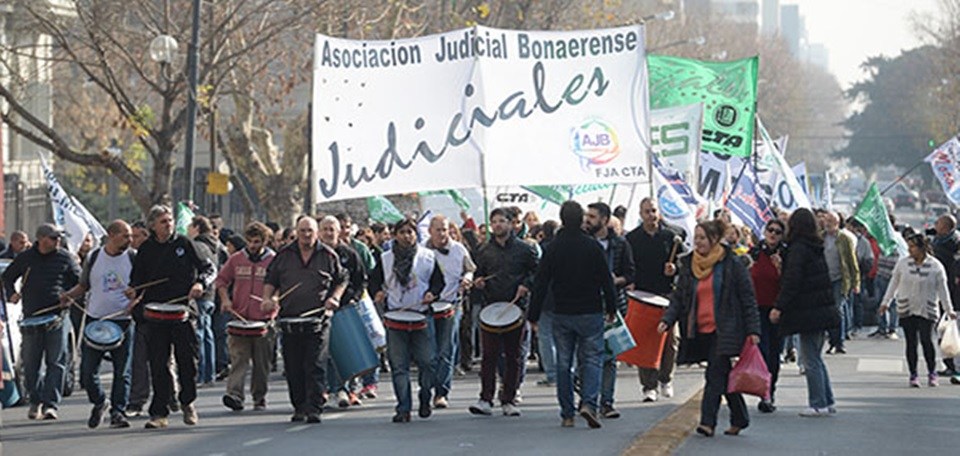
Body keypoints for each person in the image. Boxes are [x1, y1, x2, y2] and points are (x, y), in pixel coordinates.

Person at [658, 219, 760, 437]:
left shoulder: (732, 264)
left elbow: (748, 299)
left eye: (703, 238)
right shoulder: (689, 264)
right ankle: (740, 417)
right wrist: (667, 319)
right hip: (698, 329)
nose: (698, 242)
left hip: (725, 329)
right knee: (722, 375)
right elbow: (679, 297)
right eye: (696, 238)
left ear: (714, 240)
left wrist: (753, 330)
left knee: (714, 374)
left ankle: (707, 422)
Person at [125, 205, 217, 429]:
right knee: (158, 364)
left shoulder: (185, 244)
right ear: (153, 225)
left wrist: (199, 283)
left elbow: (208, 269)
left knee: (188, 363)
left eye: (170, 220)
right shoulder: (145, 249)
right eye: (163, 221)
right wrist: (133, 291)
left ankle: (187, 401)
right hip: (155, 315)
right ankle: (159, 412)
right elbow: (137, 279)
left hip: (182, 312)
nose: (168, 224)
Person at [529, 201, 616, 429]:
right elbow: (606, 279)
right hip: (590, 310)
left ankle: (567, 413)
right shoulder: (592, 246)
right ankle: (589, 403)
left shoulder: (553, 247)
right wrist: (612, 307)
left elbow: (541, 282)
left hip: (563, 311)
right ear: (581, 220)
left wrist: (533, 314)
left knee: (563, 363)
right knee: (592, 359)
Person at [262, 216, 347, 424]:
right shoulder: (283, 255)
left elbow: (342, 279)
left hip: (317, 319)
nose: (306, 235)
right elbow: (271, 279)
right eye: (302, 231)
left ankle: (314, 407)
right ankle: (299, 406)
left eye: (310, 231)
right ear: (296, 232)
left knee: (316, 364)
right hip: (289, 319)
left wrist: (334, 297)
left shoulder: (328, 255)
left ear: (316, 233)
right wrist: (268, 299)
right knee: (293, 366)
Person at [61, 220, 136, 429]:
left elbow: (142, 287)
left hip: (123, 321)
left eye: (130, 236)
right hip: (96, 321)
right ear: (111, 235)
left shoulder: (133, 258)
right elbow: (83, 285)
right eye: (125, 235)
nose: (130, 240)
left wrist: (135, 300)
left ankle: (118, 412)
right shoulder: (94, 257)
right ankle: (99, 401)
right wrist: (68, 295)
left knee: (123, 371)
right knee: (87, 370)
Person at [1, 224, 81, 420]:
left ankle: (50, 405)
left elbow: (80, 281)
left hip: (57, 316)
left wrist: (70, 296)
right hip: (31, 317)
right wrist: (12, 294)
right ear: (42, 239)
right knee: (30, 364)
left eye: (59, 238)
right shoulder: (26, 258)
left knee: (56, 362)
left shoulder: (65, 257)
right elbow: (7, 277)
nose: (58, 241)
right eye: (54, 238)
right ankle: (36, 400)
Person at [370, 218, 444, 423]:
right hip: (395, 317)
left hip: (421, 315)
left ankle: (425, 395)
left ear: (416, 234)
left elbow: (439, 282)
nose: (406, 236)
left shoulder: (428, 256)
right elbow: (374, 281)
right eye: (402, 232)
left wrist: (432, 293)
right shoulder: (385, 259)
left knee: (428, 362)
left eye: (410, 232)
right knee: (399, 366)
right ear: (395, 235)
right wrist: (377, 293)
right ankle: (403, 407)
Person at [770, 208, 840, 417]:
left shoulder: (798, 249)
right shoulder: (813, 246)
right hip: (819, 309)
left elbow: (792, 281)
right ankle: (826, 400)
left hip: (809, 311)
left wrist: (779, 306)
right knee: (816, 358)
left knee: (810, 359)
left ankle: (818, 403)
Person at [469, 208, 538, 417]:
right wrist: (478, 282)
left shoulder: (524, 249)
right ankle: (485, 399)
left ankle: (508, 398)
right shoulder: (483, 250)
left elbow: (537, 272)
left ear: (511, 224)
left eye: (502, 221)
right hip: (491, 307)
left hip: (515, 308)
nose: (498, 225)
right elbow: (478, 274)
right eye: (494, 222)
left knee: (513, 356)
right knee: (488, 355)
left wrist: (526, 285)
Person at [879, 234, 957, 387]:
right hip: (907, 308)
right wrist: (886, 302)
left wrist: (949, 310)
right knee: (911, 343)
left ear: (922, 248)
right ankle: (913, 374)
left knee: (927, 341)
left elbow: (943, 289)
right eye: (909, 247)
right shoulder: (903, 264)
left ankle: (931, 372)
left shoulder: (935, 266)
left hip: (927, 309)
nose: (910, 250)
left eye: (913, 247)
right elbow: (893, 284)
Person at [625, 197, 682, 402]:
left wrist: (675, 269)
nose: (651, 215)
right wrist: (630, 281)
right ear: (641, 214)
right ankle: (648, 386)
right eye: (647, 211)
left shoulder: (671, 236)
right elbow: (627, 266)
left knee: (671, 340)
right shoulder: (632, 239)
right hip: (643, 295)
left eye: (654, 211)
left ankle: (666, 378)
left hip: (667, 295)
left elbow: (684, 263)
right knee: (645, 341)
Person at [216, 222, 276, 412]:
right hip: (239, 317)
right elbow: (221, 280)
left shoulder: (274, 260)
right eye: (249, 241)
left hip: (264, 319)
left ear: (265, 241)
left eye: (257, 242)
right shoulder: (235, 259)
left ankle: (259, 397)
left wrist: (273, 300)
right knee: (238, 359)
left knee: (261, 362)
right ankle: (234, 395)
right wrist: (225, 300)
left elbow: (281, 285)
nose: (252, 246)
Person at [583, 202, 634, 419]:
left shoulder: (620, 244)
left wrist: (616, 280)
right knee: (587, 355)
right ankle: (587, 400)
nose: (587, 221)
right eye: (587, 217)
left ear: (604, 219)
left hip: (613, 304)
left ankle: (606, 402)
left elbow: (630, 273)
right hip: (587, 304)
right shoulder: (583, 243)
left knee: (609, 356)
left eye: (592, 217)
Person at [423, 215, 475, 409]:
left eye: (445, 229)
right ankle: (426, 390)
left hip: (451, 304)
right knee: (429, 352)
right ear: (430, 231)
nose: (443, 233)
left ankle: (441, 392)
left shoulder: (459, 249)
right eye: (438, 229)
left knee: (446, 350)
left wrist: (467, 278)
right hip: (426, 306)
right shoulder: (421, 250)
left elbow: (470, 268)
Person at [318, 215, 367, 408]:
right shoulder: (315, 254)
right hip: (320, 310)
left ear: (339, 232)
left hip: (344, 309)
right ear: (319, 232)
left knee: (346, 352)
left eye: (332, 229)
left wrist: (352, 298)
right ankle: (332, 389)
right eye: (325, 229)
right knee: (326, 353)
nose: (329, 233)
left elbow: (360, 280)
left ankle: (347, 389)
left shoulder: (349, 254)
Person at [748, 219, 786, 413]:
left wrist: (780, 267)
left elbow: (789, 284)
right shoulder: (755, 253)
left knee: (774, 354)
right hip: (757, 309)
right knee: (762, 352)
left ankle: (769, 393)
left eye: (777, 232)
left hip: (777, 311)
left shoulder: (785, 254)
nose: (773, 234)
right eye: (770, 230)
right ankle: (763, 391)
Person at [188, 216, 222, 388]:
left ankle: (201, 373)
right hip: (211, 295)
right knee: (208, 334)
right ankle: (210, 373)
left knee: (199, 335)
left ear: (197, 227)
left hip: (201, 295)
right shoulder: (215, 245)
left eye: (190, 226)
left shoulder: (198, 246)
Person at [819, 210, 859, 354]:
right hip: (824, 279)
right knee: (828, 311)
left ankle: (839, 342)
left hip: (840, 279)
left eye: (830, 221)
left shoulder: (844, 238)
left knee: (837, 310)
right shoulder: (821, 237)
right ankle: (831, 341)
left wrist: (856, 282)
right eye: (826, 221)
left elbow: (851, 261)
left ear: (837, 223)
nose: (827, 224)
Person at [929, 214, 960, 376]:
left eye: (938, 223)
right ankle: (949, 363)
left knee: (951, 331)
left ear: (946, 227)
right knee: (942, 330)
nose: (936, 225)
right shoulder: (938, 240)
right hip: (940, 293)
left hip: (951, 294)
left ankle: (954, 365)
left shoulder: (952, 243)